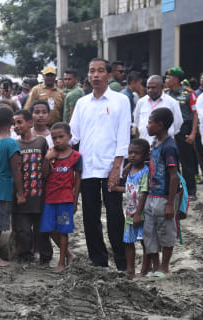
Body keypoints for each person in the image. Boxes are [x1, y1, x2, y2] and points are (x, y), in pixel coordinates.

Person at [70, 58, 130, 271]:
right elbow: (73, 135)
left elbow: (123, 137)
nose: (95, 75)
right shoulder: (82, 103)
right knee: (90, 215)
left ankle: (122, 262)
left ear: (109, 75)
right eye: (91, 71)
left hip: (111, 167)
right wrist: (50, 145)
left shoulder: (120, 101)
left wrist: (117, 168)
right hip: (88, 168)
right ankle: (98, 261)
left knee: (114, 215)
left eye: (100, 71)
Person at [0, 106, 26, 267]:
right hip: (2, 185)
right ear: (13, 122)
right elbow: (15, 171)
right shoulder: (11, 144)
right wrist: (20, 193)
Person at [143, 107, 181, 279]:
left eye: (150, 123)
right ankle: (155, 266)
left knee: (166, 231)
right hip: (152, 194)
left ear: (160, 125)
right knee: (150, 231)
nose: (147, 126)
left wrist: (171, 203)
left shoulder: (169, 147)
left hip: (165, 196)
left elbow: (173, 176)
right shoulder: (155, 143)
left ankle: (164, 267)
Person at [41, 122, 82, 272]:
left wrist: (75, 200)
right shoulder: (51, 155)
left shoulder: (76, 156)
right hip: (50, 198)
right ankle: (69, 255)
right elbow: (44, 175)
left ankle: (61, 262)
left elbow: (78, 180)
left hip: (65, 199)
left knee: (63, 230)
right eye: (54, 138)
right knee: (50, 229)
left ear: (69, 137)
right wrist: (47, 159)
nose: (57, 140)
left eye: (61, 137)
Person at [12, 109, 51, 264]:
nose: (16, 126)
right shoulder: (14, 144)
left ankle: (45, 256)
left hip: (39, 194)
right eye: (14, 123)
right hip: (21, 195)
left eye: (19, 122)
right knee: (23, 230)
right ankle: (25, 256)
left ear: (29, 123)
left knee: (42, 230)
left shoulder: (41, 141)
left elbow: (47, 166)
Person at [113, 139, 150, 279]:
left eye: (137, 153)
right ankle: (130, 270)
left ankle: (144, 270)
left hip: (141, 214)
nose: (132, 155)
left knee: (144, 242)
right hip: (129, 213)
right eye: (130, 153)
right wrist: (117, 188)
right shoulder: (130, 170)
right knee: (128, 242)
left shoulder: (145, 172)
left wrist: (138, 214)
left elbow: (143, 193)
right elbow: (131, 190)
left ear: (146, 156)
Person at [164, 66, 199, 201]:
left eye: (169, 77)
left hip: (185, 129)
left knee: (187, 162)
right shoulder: (165, 93)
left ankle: (191, 190)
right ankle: (175, 189)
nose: (166, 80)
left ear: (177, 79)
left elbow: (195, 114)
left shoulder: (189, 93)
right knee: (171, 162)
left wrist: (193, 134)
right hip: (169, 130)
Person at [133, 75, 183, 144]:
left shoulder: (172, 103)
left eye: (153, 88)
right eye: (148, 88)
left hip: (164, 145)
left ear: (162, 87)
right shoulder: (141, 102)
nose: (150, 90)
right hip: (145, 145)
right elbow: (137, 121)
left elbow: (178, 124)